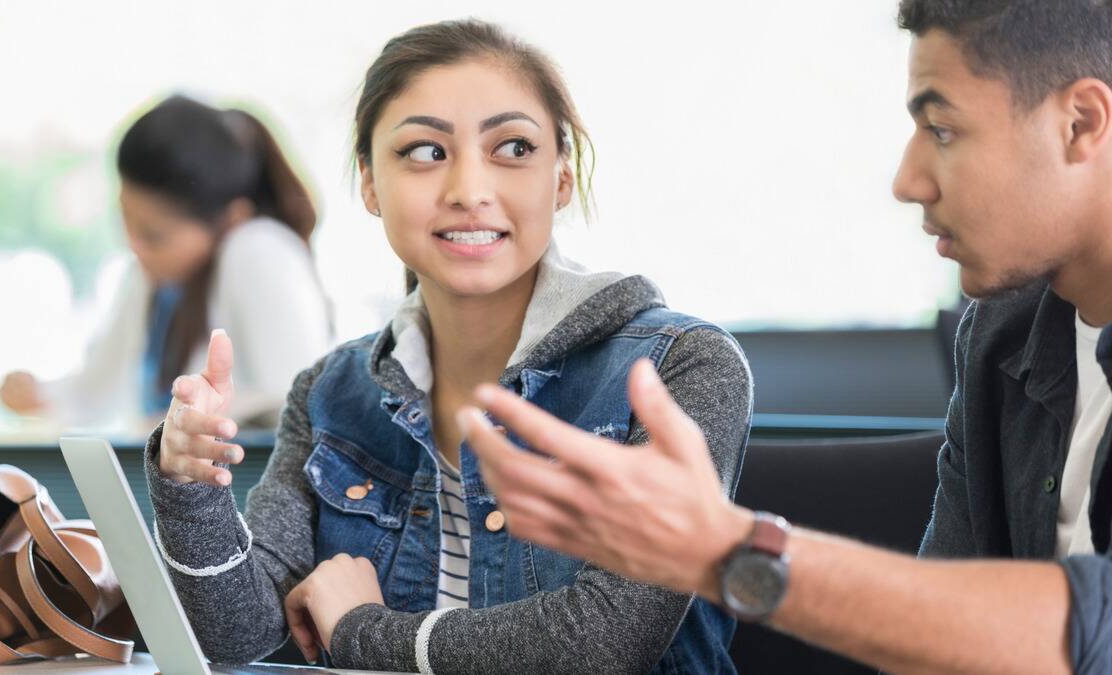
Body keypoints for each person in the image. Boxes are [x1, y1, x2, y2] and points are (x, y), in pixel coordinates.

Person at [460, 1, 1112, 673]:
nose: (906, 181)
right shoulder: (1000, 332)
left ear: (1080, 122)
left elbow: (1096, 628)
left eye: (942, 129)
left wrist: (722, 549)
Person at [144, 19, 753, 675]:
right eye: (425, 152)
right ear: (370, 183)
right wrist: (189, 484)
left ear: (562, 176)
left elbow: (603, 642)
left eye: (514, 147)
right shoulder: (330, 392)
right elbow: (239, 634)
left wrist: (364, 630)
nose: (468, 190)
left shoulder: (683, 367)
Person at [0, 95, 333, 430]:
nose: (133, 245)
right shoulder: (152, 277)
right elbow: (94, 391)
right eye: (125, 219)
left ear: (231, 219)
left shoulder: (258, 249)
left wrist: (174, 425)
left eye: (153, 235)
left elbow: (295, 404)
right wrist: (40, 396)